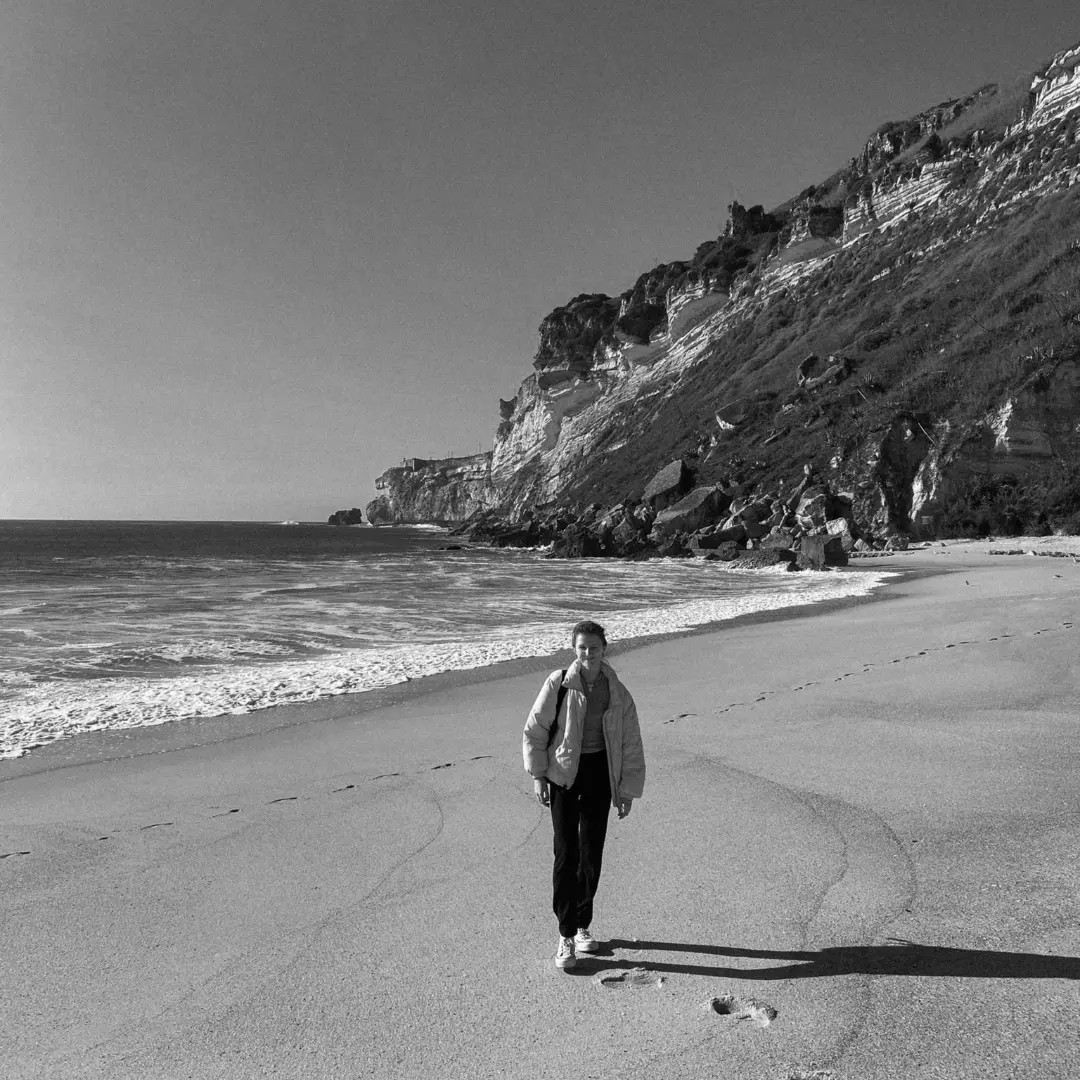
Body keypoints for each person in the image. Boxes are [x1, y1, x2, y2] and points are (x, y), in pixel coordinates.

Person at [522, 620, 646, 970]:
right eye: (582, 648)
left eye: (594, 647)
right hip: (563, 776)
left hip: (599, 775)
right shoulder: (559, 682)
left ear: (604, 648)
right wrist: (538, 776)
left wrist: (626, 790)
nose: (588, 653)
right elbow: (535, 729)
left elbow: (630, 742)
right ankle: (564, 934)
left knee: (591, 853)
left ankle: (581, 925)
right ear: (574, 649)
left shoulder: (617, 690)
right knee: (566, 853)